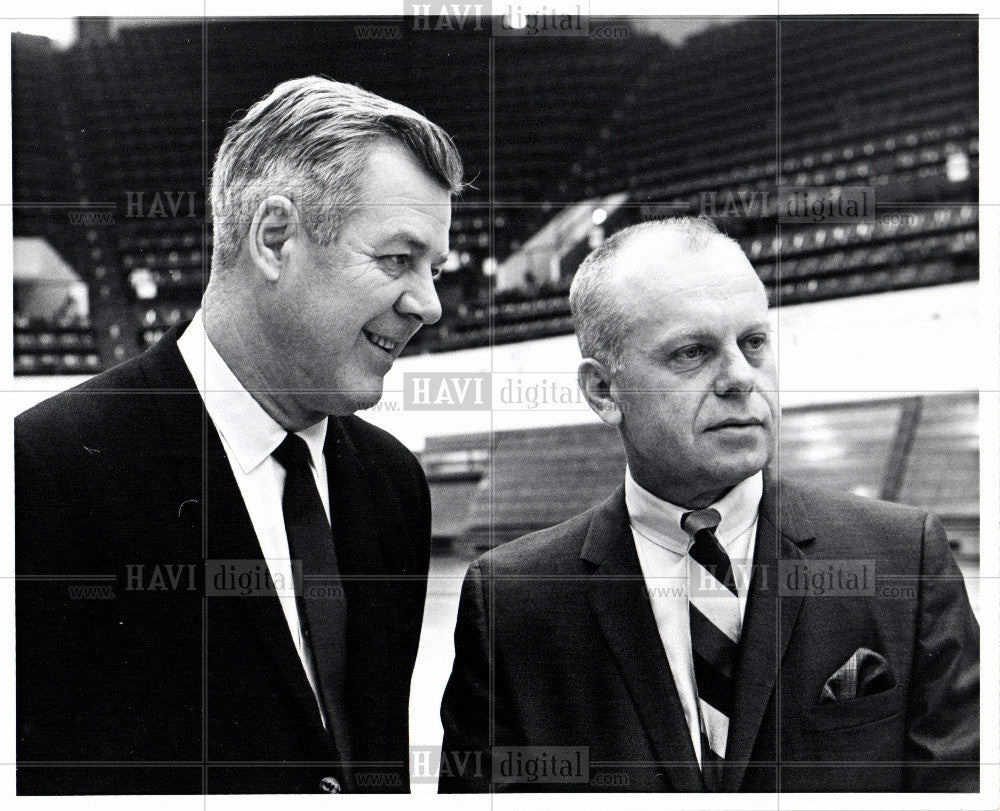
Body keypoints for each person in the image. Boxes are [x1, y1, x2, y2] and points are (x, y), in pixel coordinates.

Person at [16, 76, 463, 795]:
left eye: (434, 269)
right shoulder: (46, 472)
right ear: (275, 237)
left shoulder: (394, 485)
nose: (430, 305)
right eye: (397, 259)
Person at [439, 217, 979, 793]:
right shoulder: (512, 601)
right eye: (692, 352)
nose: (741, 378)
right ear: (603, 391)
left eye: (753, 343)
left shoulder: (904, 557)